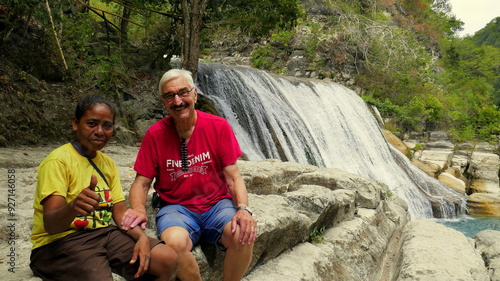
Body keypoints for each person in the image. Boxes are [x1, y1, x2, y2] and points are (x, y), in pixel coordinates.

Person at [121, 69, 257, 281]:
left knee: (243, 234)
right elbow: (142, 183)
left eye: (183, 92)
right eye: (170, 96)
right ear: (163, 101)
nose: (177, 101)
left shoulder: (218, 126)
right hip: (176, 209)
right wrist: (138, 210)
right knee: (174, 243)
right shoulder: (155, 134)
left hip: (217, 204)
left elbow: (233, 177)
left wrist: (243, 210)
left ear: (194, 94)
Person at [29, 95, 178, 281]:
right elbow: (51, 225)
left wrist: (141, 237)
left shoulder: (107, 164)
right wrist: (73, 206)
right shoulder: (58, 161)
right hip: (59, 242)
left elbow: (120, 213)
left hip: (102, 234)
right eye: (92, 123)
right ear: (75, 124)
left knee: (167, 259)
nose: (100, 131)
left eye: (107, 126)